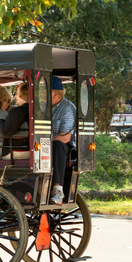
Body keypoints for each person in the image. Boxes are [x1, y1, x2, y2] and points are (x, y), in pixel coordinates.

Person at [50, 76, 76, 204]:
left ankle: (58, 189)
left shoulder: (67, 108)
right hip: (46, 143)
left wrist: (44, 141)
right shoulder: (43, 107)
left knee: (57, 145)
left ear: (54, 94)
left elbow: (65, 137)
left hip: (65, 146)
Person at [0, 82, 30, 160]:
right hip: (31, 151)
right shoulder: (37, 111)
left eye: (17, 94)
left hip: (14, 153)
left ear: (23, 95)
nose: (15, 96)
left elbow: (6, 132)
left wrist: (0, 120)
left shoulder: (17, 112)